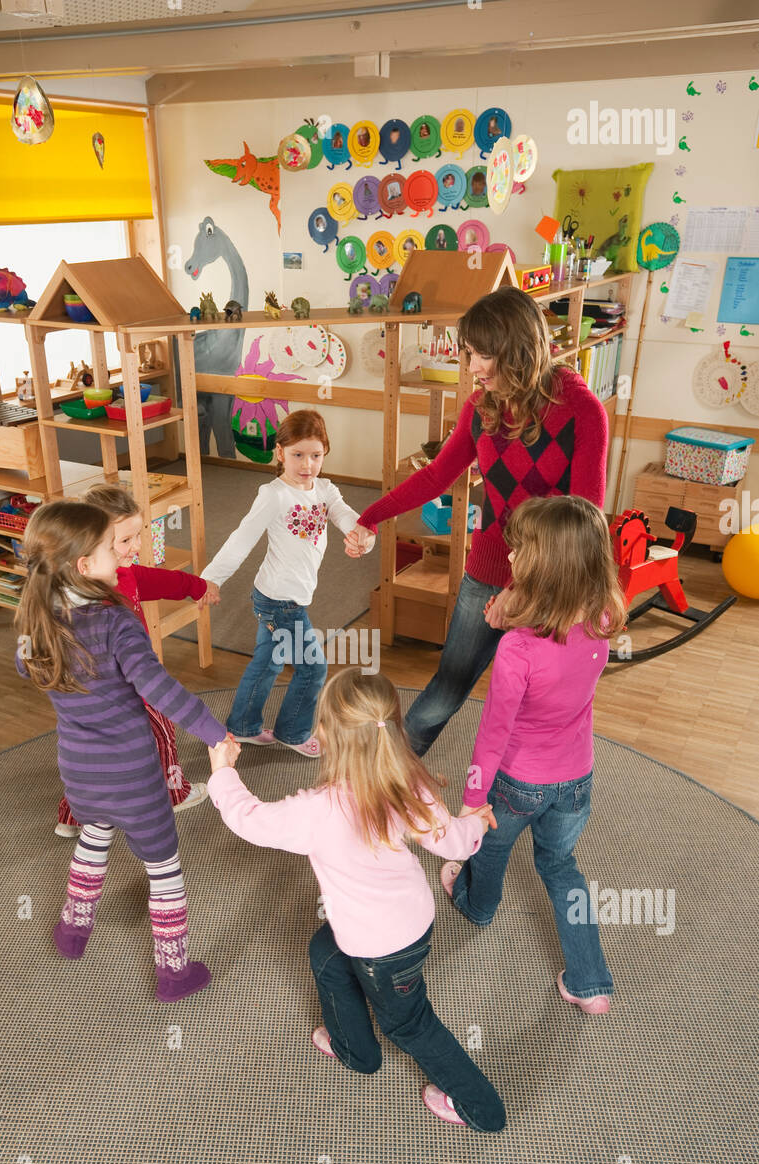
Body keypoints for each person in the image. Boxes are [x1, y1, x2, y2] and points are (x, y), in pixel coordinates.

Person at [207, 668, 506, 1132]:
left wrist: (223, 771)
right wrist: (476, 827)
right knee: (324, 954)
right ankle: (355, 1048)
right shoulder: (408, 781)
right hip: (413, 920)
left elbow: (250, 819)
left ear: (327, 737)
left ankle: (479, 1108)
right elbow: (450, 841)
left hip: (378, 949)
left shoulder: (316, 809)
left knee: (410, 1026)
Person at [344, 286, 608, 756]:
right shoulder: (481, 405)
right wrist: (370, 518)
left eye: (483, 355)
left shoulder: (583, 412)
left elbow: (583, 525)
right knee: (446, 690)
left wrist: (522, 588)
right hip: (487, 570)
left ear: (517, 351)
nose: (472, 369)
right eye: (469, 354)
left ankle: (512, 798)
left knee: (533, 711)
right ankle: (388, 780)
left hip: (553, 586)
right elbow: (434, 477)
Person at [15, 500, 230, 1002]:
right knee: (164, 869)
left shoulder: (36, 619)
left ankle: (73, 931)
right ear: (85, 566)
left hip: (79, 771)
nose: (122, 556)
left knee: (93, 837)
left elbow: (26, 669)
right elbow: (158, 687)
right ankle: (173, 973)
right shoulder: (115, 622)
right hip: (132, 773)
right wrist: (214, 732)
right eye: (113, 549)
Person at [441, 495, 626, 1013]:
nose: (511, 559)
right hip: (577, 780)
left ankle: (476, 907)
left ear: (544, 567)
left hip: (520, 782)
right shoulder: (603, 620)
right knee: (561, 865)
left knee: (489, 851)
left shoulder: (517, 650)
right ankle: (591, 985)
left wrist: (474, 799)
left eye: (520, 552)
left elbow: (493, 732)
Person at [200, 410, 373, 758]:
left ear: (324, 454)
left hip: (281, 596)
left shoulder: (325, 490)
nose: (307, 464)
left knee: (268, 663)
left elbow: (347, 517)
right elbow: (241, 539)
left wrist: (362, 536)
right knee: (313, 669)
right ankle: (293, 733)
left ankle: (242, 727)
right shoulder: (274, 495)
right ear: (280, 453)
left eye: (315, 455)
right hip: (280, 601)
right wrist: (209, 579)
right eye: (297, 455)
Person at [54, 483, 220, 837]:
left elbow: (161, 580)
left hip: (92, 696)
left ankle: (72, 816)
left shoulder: (119, 575)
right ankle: (175, 792)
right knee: (162, 733)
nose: (136, 547)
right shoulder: (91, 593)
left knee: (92, 754)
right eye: (125, 541)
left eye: (138, 535)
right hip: (135, 684)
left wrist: (197, 586)